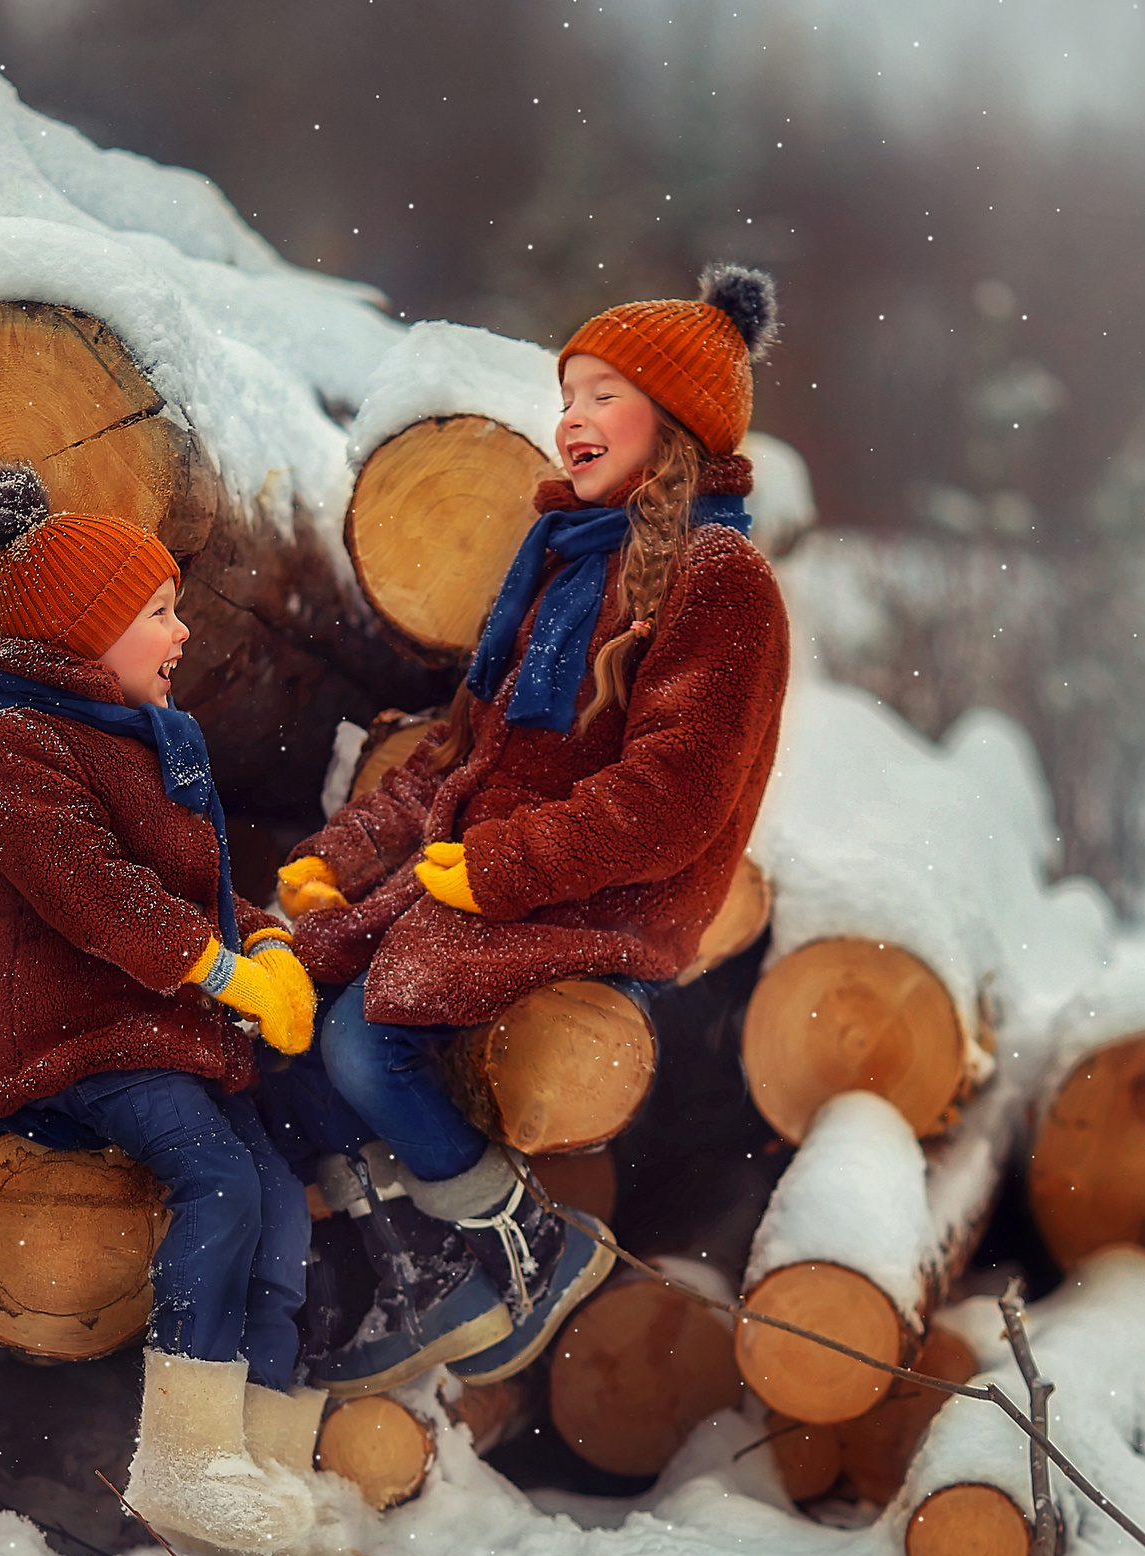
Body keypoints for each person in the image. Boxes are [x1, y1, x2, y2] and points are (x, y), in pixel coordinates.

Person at [282, 264, 792, 1395]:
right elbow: (464, 761)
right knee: (283, 1013)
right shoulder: (564, 568)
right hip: (500, 881)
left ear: (679, 423)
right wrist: (343, 855)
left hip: (604, 898)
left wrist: (505, 867)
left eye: (605, 393)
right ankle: (420, 1261)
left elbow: (671, 801)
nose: (571, 418)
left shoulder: (720, 581)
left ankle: (525, 1243)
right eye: (568, 393)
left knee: (370, 1036)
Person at [0, 461, 344, 1556]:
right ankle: (183, 1458)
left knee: (276, 1195)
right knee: (216, 1180)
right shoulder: (13, 753)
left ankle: (260, 1459)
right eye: (157, 613)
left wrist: (260, 940)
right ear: (86, 634)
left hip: (163, 1030)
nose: (178, 633)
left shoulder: (149, 736)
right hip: (79, 1039)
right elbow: (93, 894)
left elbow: (195, 890)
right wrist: (220, 974)